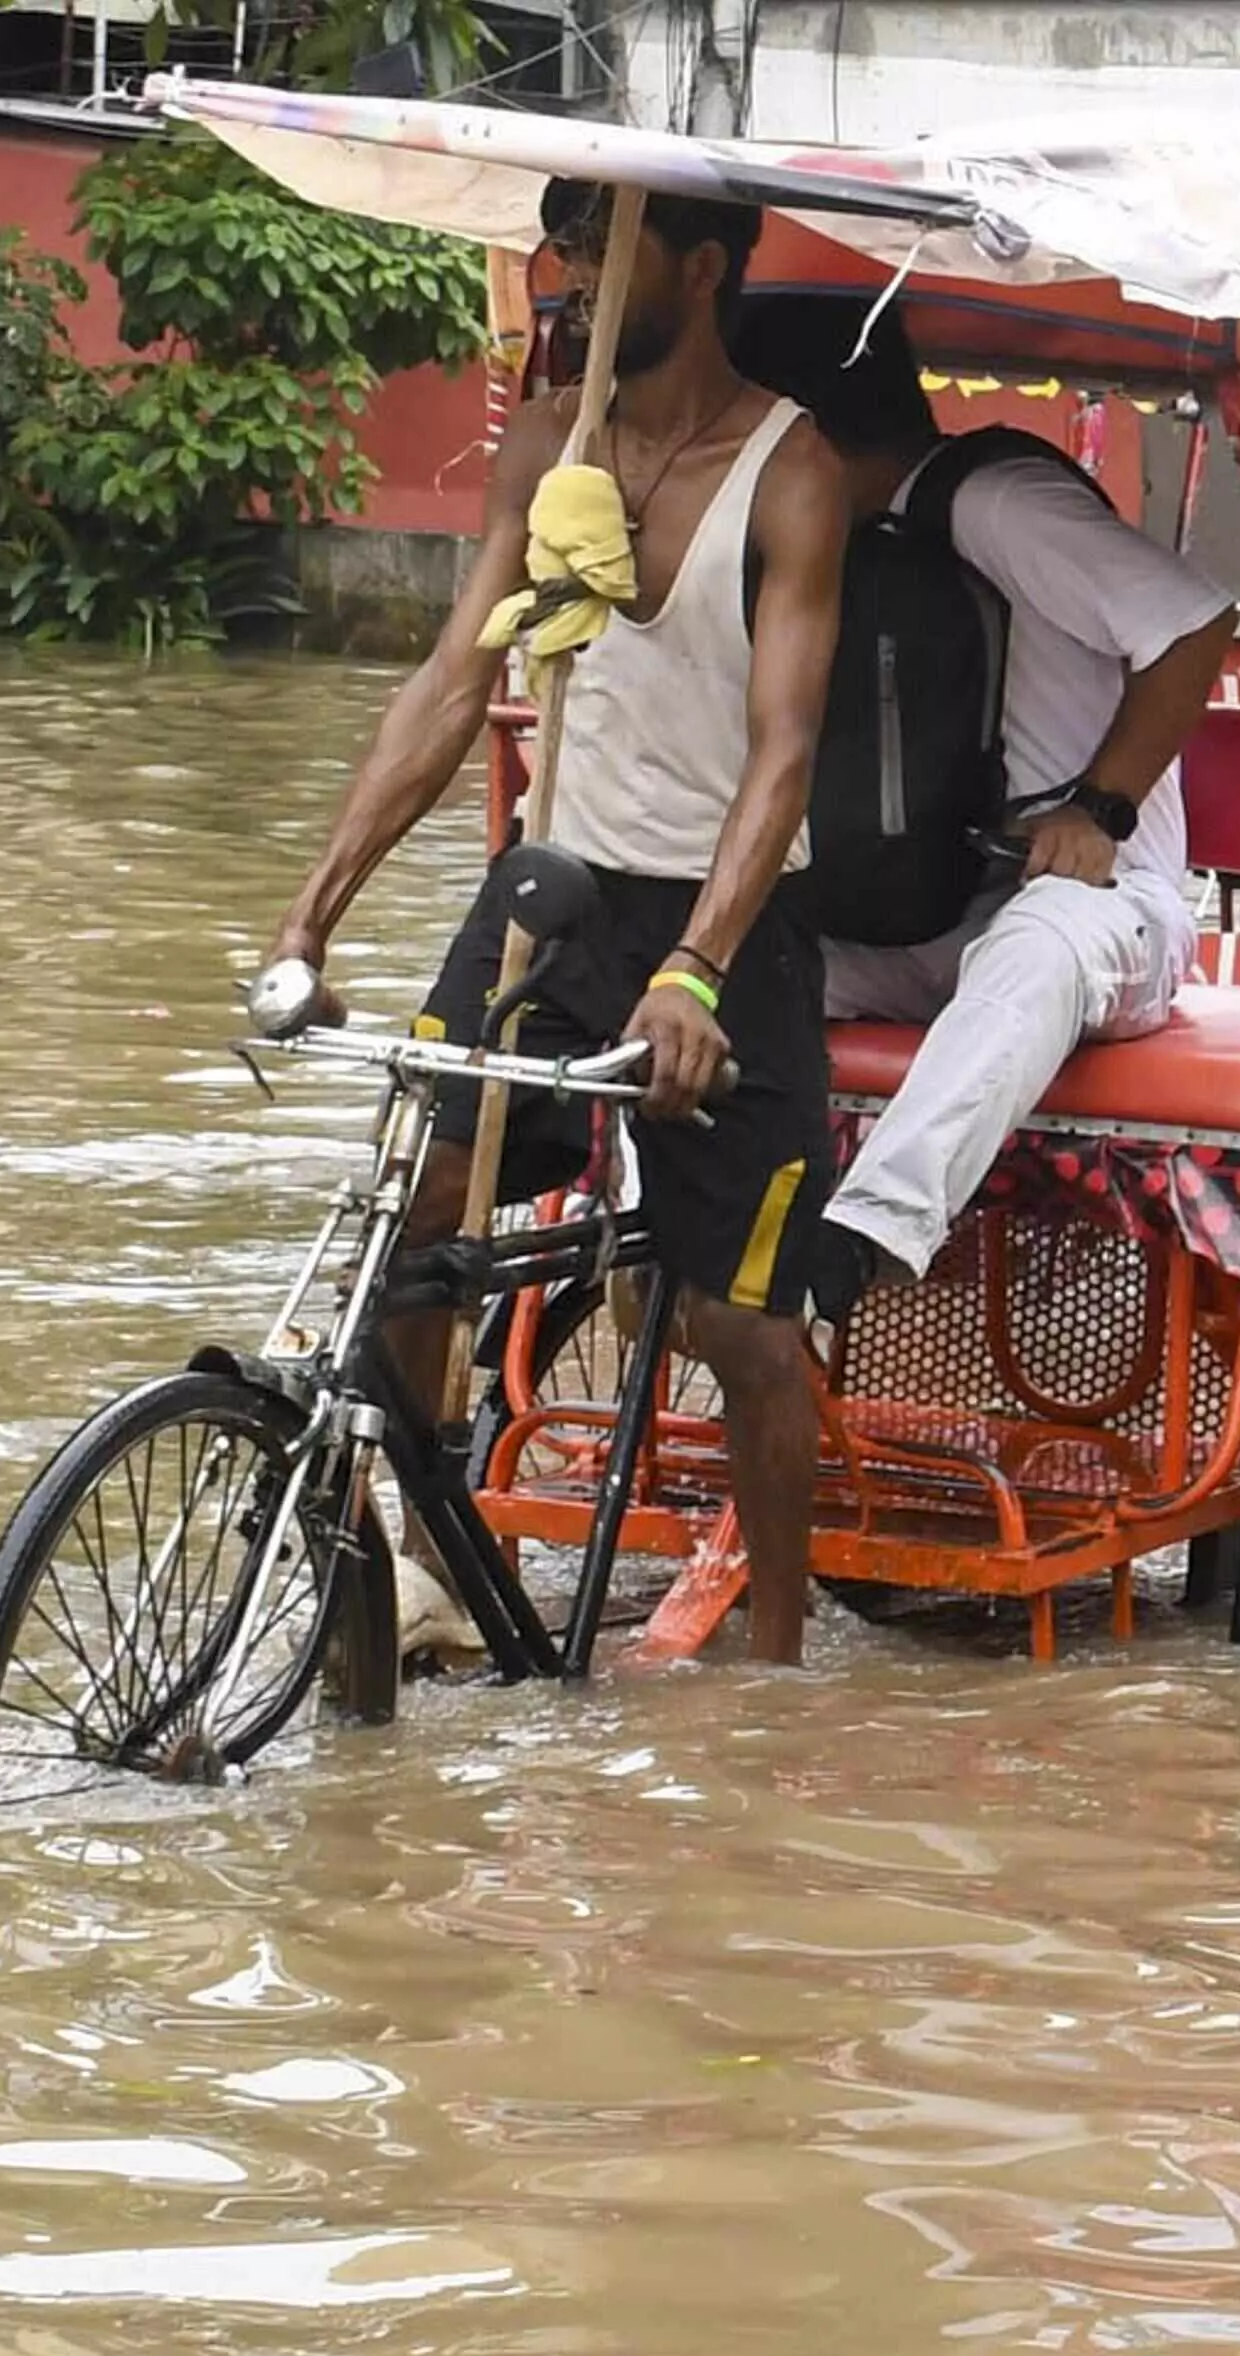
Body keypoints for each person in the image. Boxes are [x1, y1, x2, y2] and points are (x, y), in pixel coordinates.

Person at [264, 185, 847, 1663]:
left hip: (730, 927)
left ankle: (777, 1665)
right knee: (412, 1219)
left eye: (605, 245)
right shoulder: (548, 441)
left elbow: (784, 753)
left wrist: (699, 972)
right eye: (564, 241)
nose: (568, 271)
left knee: (743, 1331)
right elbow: (456, 685)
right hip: (555, 894)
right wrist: (308, 919)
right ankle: (431, 1561)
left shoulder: (792, 473)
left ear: (703, 269)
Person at [736, 303, 1236, 1297]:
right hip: (913, 927)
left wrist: (1099, 809)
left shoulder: (999, 504)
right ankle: (682, 1229)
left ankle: (862, 1243)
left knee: (1038, 940)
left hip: (1100, 914)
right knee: (725, 951)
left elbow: (1194, 623)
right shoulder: (811, 541)